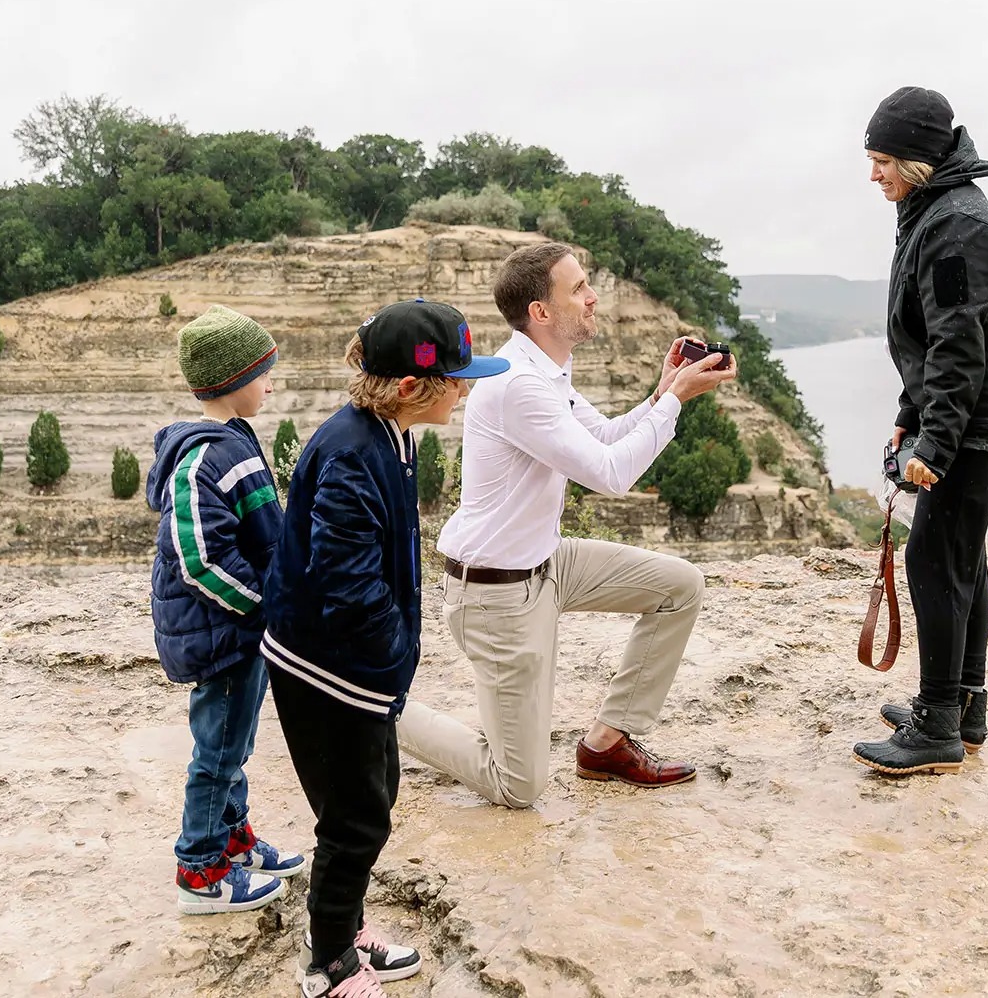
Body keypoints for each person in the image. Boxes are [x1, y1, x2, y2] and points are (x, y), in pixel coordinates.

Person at [398, 242, 737, 809]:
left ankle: (608, 742)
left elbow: (600, 440)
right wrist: (675, 401)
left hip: (546, 562)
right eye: (578, 287)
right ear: (541, 311)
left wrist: (660, 392)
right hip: (495, 592)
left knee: (679, 586)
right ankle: (378, 710)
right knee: (518, 786)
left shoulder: (545, 370)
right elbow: (610, 475)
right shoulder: (518, 385)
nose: (593, 294)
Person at [261, 298, 510, 998]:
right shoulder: (351, 455)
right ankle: (329, 964)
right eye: (458, 379)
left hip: (354, 668)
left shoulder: (387, 435)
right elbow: (348, 583)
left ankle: (337, 924)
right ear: (411, 388)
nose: (466, 389)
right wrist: (392, 652)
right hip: (329, 670)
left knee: (372, 798)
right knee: (356, 815)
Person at [850, 87, 988, 776]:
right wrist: (910, 415)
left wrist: (934, 444)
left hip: (976, 419)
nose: (874, 174)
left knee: (935, 558)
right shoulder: (932, 212)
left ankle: (936, 726)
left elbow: (961, 348)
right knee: (962, 559)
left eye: (882, 160)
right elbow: (929, 344)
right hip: (966, 414)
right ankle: (963, 704)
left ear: (919, 160)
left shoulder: (959, 226)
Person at [146, 305, 306, 914]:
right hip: (224, 633)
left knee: (233, 742)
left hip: (243, 630)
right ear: (233, 379)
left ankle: (233, 837)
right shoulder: (202, 456)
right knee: (216, 750)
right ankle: (201, 867)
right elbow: (199, 558)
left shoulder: (235, 440)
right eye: (264, 372)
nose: (271, 382)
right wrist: (264, 604)